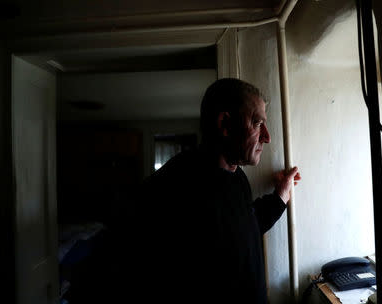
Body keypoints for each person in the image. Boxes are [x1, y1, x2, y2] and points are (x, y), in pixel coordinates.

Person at [129, 78, 301, 304]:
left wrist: (281, 194)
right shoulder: (173, 187)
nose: (266, 136)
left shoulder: (237, 177)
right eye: (258, 123)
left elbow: (245, 227)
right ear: (225, 124)